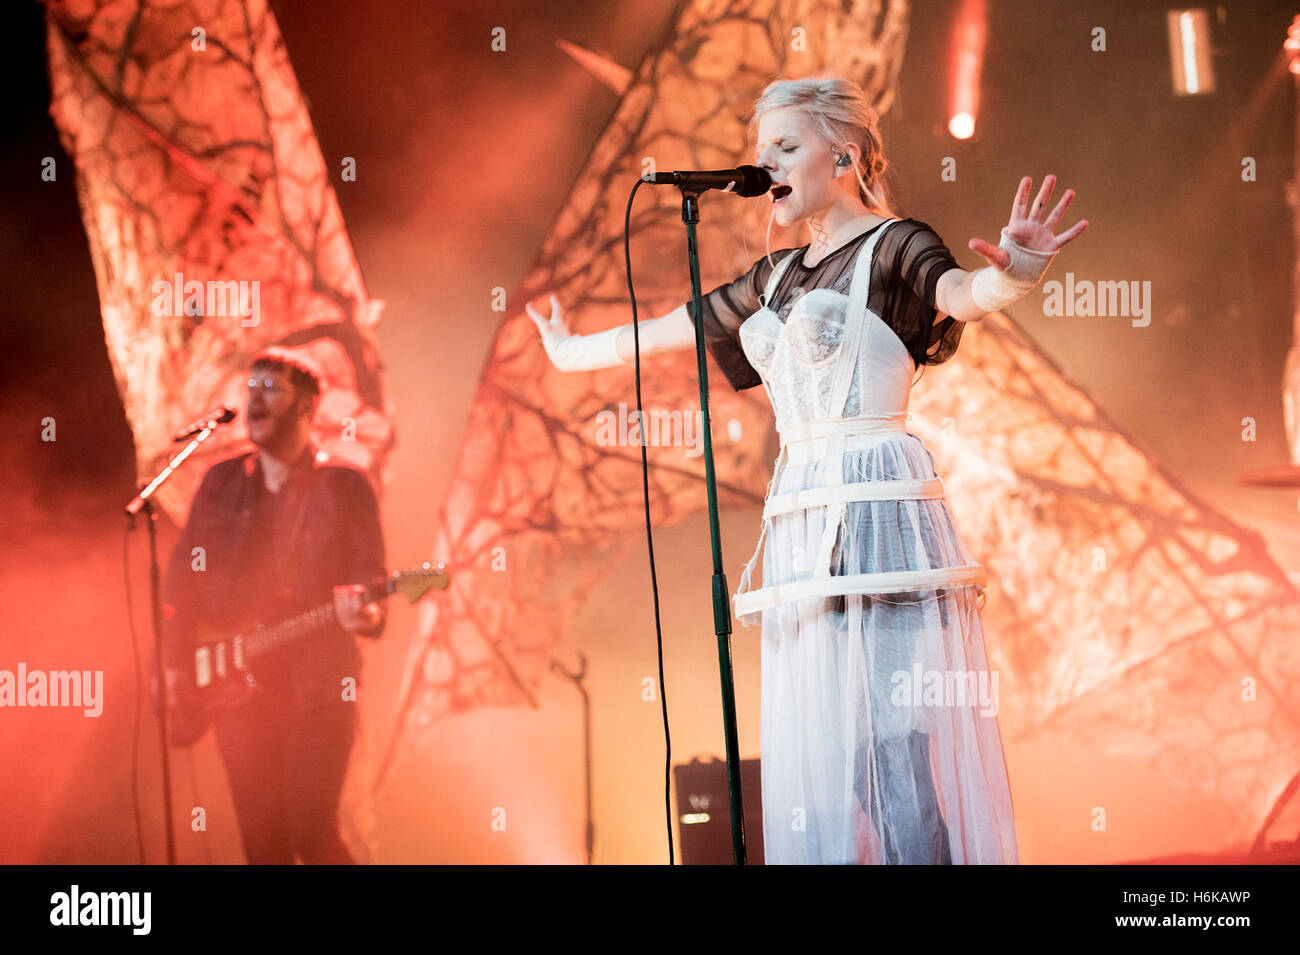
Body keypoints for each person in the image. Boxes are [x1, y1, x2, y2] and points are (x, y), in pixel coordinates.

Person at [528, 76, 1086, 864]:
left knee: (894, 738)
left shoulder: (896, 243)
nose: (767, 166)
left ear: (844, 155)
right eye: (761, 151)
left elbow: (961, 293)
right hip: (804, 511)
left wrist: (1018, 270)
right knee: (844, 745)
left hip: (877, 499)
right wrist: (569, 350)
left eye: (786, 148)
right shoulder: (779, 274)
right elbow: (677, 326)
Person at [159, 347, 387, 864]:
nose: (254, 400)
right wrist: (175, 663)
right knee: (264, 847)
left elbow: (370, 579)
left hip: (319, 693)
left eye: (270, 390)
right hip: (239, 692)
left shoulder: (344, 486)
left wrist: (366, 612)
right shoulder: (220, 484)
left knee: (312, 832)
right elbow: (182, 579)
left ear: (307, 408)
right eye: (250, 388)